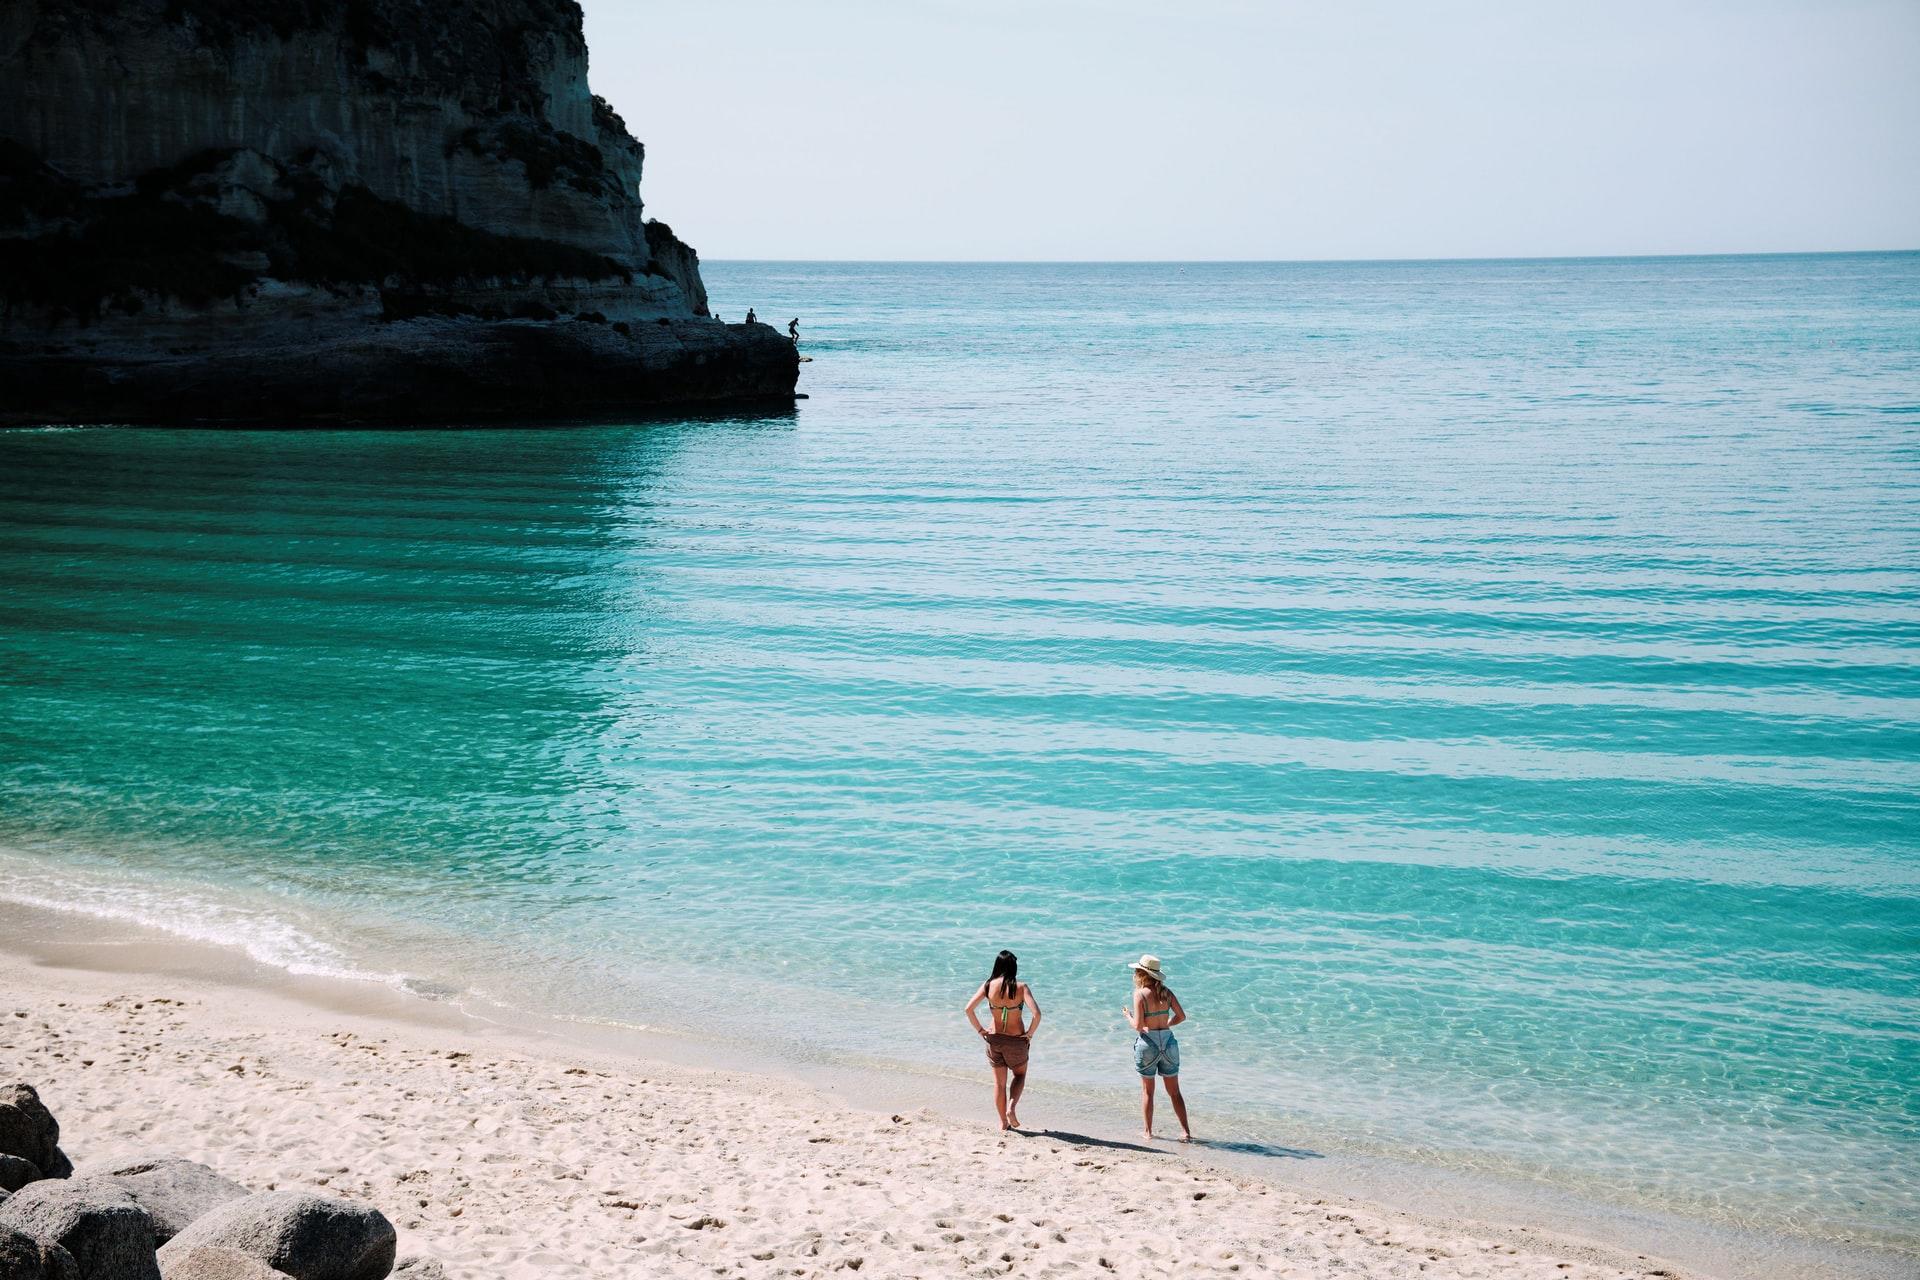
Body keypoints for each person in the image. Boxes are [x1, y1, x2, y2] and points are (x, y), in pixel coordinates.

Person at [964, 949, 1041, 1131]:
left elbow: (968, 1009)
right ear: (1013, 967)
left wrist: (980, 1030)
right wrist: (1029, 1034)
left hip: (994, 1040)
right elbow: (1037, 1014)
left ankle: (1002, 1123)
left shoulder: (988, 986)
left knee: (999, 1083)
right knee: (1020, 1075)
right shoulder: (1021, 987)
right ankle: (1011, 1109)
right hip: (1016, 1041)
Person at [1124, 954, 1191, 1141]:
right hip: (1168, 1043)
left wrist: (1128, 1016)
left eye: (1137, 971)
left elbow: (1138, 1026)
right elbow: (1182, 1016)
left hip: (1148, 1044)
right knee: (1175, 1092)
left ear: (1142, 974)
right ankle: (1186, 1131)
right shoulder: (1166, 992)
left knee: (1148, 1091)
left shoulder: (1140, 994)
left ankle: (1148, 1132)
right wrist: (1167, 1023)